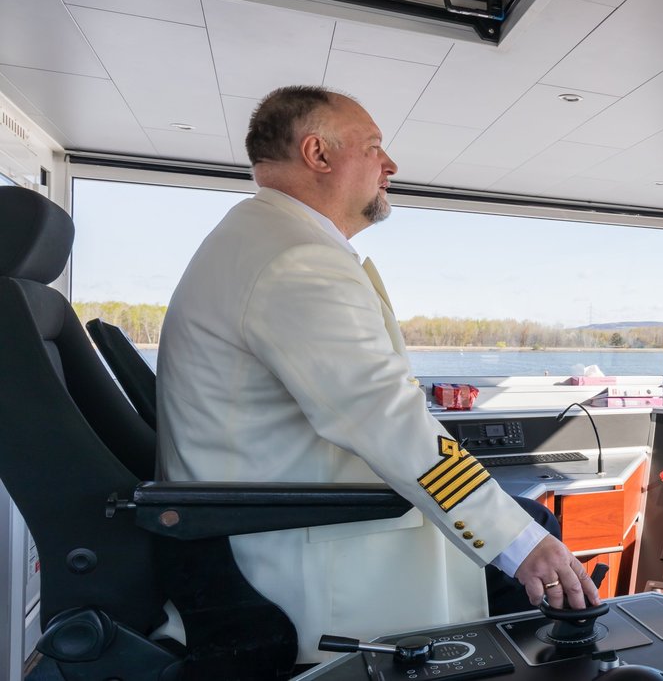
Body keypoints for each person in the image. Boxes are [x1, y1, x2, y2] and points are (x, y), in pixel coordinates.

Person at [156, 86, 597, 663]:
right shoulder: (297, 262)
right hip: (302, 551)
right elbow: (390, 422)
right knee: (535, 553)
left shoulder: (260, 237)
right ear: (317, 153)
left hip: (276, 514)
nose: (390, 165)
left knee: (528, 520)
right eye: (372, 147)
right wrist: (521, 544)